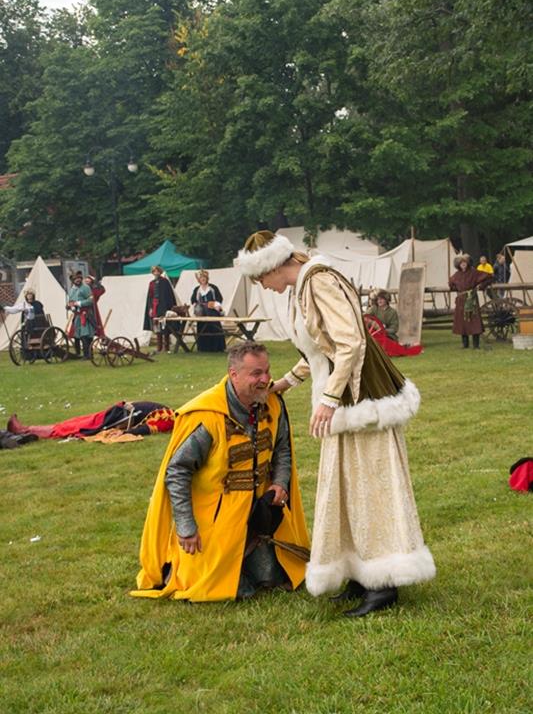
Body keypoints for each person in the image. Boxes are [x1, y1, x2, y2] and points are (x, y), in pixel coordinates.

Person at [237, 231, 435, 618]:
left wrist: (329, 400)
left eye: (260, 278)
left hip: (361, 401)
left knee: (370, 489)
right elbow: (321, 347)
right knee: (347, 490)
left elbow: (351, 343)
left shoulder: (319, 280)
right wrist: (287, 382)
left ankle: (384, 583)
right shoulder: (303, 286)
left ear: (273, 267)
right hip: (343, 401)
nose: (263, 286)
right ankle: (361, 574)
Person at [131, 342, 309, 602]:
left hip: (259, 516)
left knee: (275, 576)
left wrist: (280, 483)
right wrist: (186, 526)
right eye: (256, 373)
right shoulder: (206, 416)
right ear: (234, 374)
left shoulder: (272, 403)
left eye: (267, 371)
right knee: (226, 588)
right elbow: (177, 471)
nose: (266, 380)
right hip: (215, 521)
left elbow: (282, 447)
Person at [7, 401, 176, 440]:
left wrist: (125, 432)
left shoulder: (170, 419)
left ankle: (26, 430)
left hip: (120, 417)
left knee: (77, 427)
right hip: (120, 411)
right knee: (77, 422)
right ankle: (27, 429)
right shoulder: (171, 415)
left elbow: (148, 429)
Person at [449, 254, 493, 348]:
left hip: (471, 299)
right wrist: (455, 288)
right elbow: (451, 283)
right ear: (458, 264)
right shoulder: (456, 275)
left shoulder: (474, 272)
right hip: (461, 300)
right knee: (462, 321)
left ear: (467, 263)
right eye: (461, 263)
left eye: (464, 262)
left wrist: (481, 286)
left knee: (474, 321)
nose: (463, 264)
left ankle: (476, 345)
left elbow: (489, 276)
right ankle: (465, 344)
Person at [190, 270, 226, 352]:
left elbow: (219, 299)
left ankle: (217, 347)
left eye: (204, 278)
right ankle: (204, 348)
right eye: (201, 278)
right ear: (199, 280)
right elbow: (193, 300)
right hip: (202, 313)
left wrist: (214, 304)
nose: (203, 279)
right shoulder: (197, 289)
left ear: (207, 278)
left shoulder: (213, 288)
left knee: (214, 327)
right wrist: (197, 305)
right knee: (203, 328)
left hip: (212, 312)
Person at [143, 265, 176, 353]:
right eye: (154, 271)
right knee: (157, 326)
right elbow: (150, 296)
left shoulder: (165, 281)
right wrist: (150, 308)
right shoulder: (151, 283)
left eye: (157, 271)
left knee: (165, 326)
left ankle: (166, 347)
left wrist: (169, 307)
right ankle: (159, 347)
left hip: (164, 306)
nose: (156, 273)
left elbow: (169, 295)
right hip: (155, 306)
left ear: (160, 271)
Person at [67, 274, 95, 359]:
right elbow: (71, 301)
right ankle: (84, 354)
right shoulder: (72, 290)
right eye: (76, 279)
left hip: (85, 314)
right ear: (73, 281)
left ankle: (89, 354)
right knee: (79, 335)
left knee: (86, 335)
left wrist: (79, 303)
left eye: (79, 278)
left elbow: (91, 300)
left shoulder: (85, 288)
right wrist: (69, 306)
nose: (78, 280)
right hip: (77, 315)